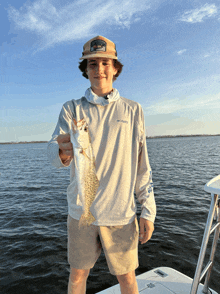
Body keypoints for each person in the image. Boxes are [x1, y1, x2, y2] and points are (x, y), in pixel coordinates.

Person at [47, 35, 156, 294]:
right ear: (85, 70)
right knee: (77, 276)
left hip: (120, 213)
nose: (99, 70)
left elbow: (143, 164)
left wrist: (148, 210)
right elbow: (53, 156)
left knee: (127, 279)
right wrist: (62, 152)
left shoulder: (133, 110)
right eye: (92, 64)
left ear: (116, 68)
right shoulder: (71, 109)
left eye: (105, 63)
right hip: (81, 210)